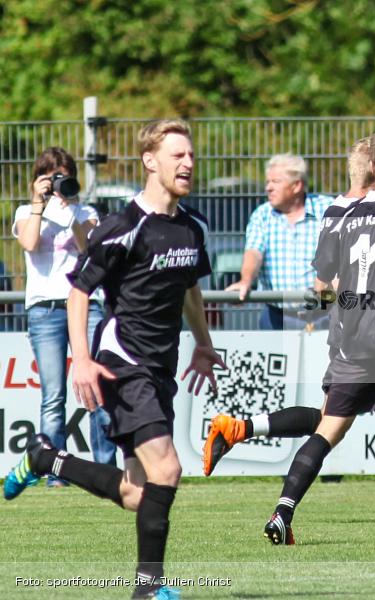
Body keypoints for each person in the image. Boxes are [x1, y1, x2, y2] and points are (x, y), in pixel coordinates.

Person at [3, 119, 224, 600]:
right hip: (123, 363)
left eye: (190, 155)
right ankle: (148, 589)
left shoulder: (193, 227)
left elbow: (190, 286)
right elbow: (79, 291)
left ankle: (46, 458)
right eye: (176, 155)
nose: (187, 163)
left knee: (138, 494)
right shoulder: (122, 227)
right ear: (150, 161)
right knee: (167, 470)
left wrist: (203, 342)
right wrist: (81, 358)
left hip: (160, 368)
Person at [203, 137, 375, 526]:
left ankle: (249, 440)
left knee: (331, 423)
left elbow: (327, 288)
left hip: (349, 339)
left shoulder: (337, 212)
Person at [12, 147, 117, 485]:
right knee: (53, 395)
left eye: (64, 176)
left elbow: (87, 247)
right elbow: (29, 243)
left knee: (97, 387)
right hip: (44, 308)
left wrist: (71, 210)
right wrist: (39, 204)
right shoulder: (26, 211)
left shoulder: (87, 212)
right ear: (39, 179)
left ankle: (106, 469)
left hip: (86, 304)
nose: (59, 182)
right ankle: (55, 473)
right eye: (51, 176)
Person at [226, 154, 334, 330]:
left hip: (325, 315)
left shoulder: (327, 209)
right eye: (268, 182)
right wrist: (245, 280)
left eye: (275, 182)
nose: (268, 188)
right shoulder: (262, 215)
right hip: (276, 317)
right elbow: (254, 252)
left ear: (296, 185)